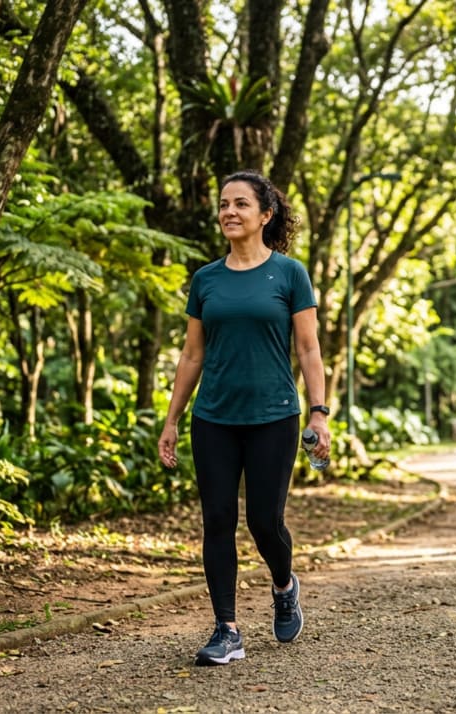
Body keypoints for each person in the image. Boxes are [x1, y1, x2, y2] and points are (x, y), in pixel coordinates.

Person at [157, 170, 330, 666]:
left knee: (263, 521)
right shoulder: (206, 279)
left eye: (240, 204)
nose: (229, 212)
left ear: (265, 214)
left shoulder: (290, 274)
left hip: (274, 415)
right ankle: (226, 629)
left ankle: (283, 584)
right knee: (216, 520)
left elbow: (308, 347)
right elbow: (192, 355)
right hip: (214, 417)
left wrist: (319, 414)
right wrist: (172, 419)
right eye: (223, 204)